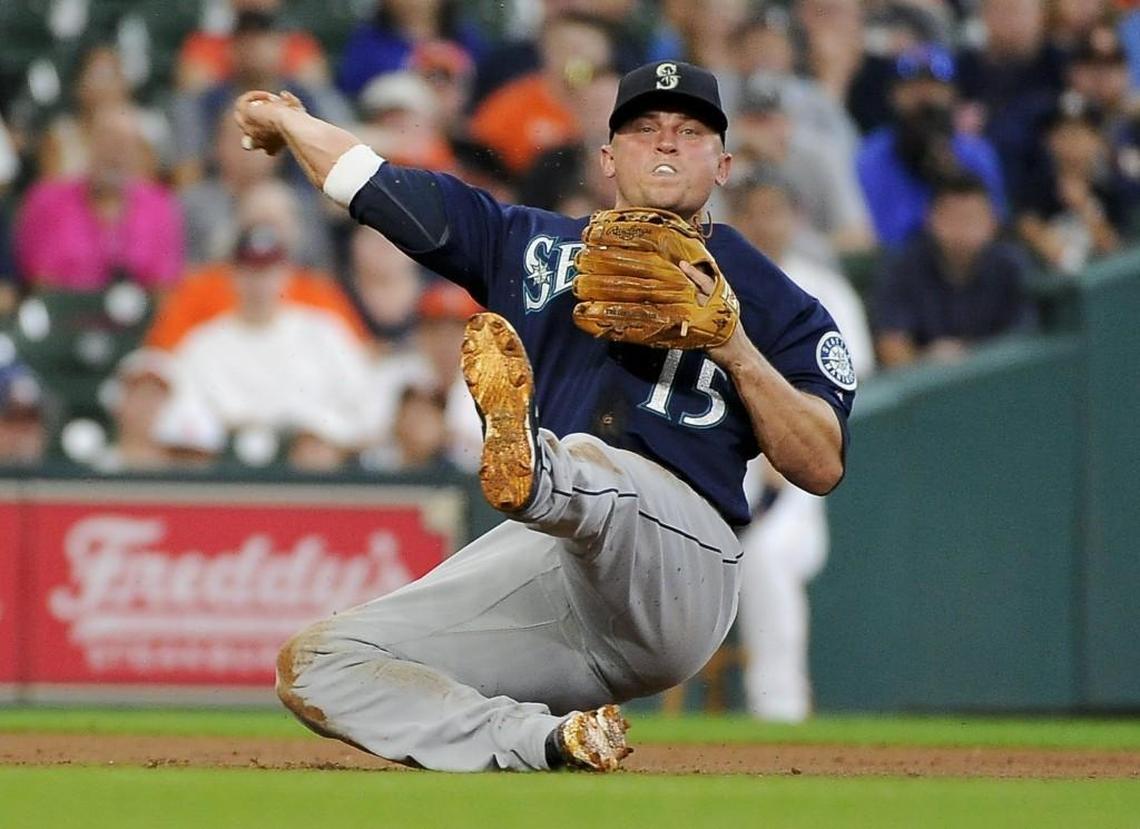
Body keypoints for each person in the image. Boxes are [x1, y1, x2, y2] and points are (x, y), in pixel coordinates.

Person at [235, 59, 852, 772]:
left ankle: (533, 464)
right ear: (607, 156)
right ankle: (547, 741)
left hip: (682, 561)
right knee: (320, 663)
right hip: (557, 568)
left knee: (591, 458)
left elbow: (821, 462)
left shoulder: (776, 299)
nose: (666, 144)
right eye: (644, 129)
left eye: (689, 132)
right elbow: (370, 181)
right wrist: (286, 120)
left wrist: (735, 349)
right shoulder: (527, 242)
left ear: (723, 163)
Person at [728, 169, 875, 722]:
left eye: (775, 209)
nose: (764, 222)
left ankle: (780, 710)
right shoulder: (702, 282)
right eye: (753, 209)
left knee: (766, 555)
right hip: (719, 472)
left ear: (796, 217)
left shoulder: (824, 290)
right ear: (734, 218)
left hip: (794, 486)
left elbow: (842, 396)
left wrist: (781, 445)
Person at [874, 172, 1038, 368]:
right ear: (931, 219)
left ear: (992, 221)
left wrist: (971, 355)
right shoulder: (902, 266)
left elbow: (1027, 337)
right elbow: (891, 345)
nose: (963, 229)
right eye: (953, 218)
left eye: (973, 218)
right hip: (929, 386)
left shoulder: (1012, 265)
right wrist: (926, 359)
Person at [856, 42, 1007, 249]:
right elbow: (878, 236)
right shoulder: (871, 156)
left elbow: (995, 228)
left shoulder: (976, 154)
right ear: (893, 96)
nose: (924, 97)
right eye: (913, 87)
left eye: (934, 87)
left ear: (952, 94)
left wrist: (956, 179)